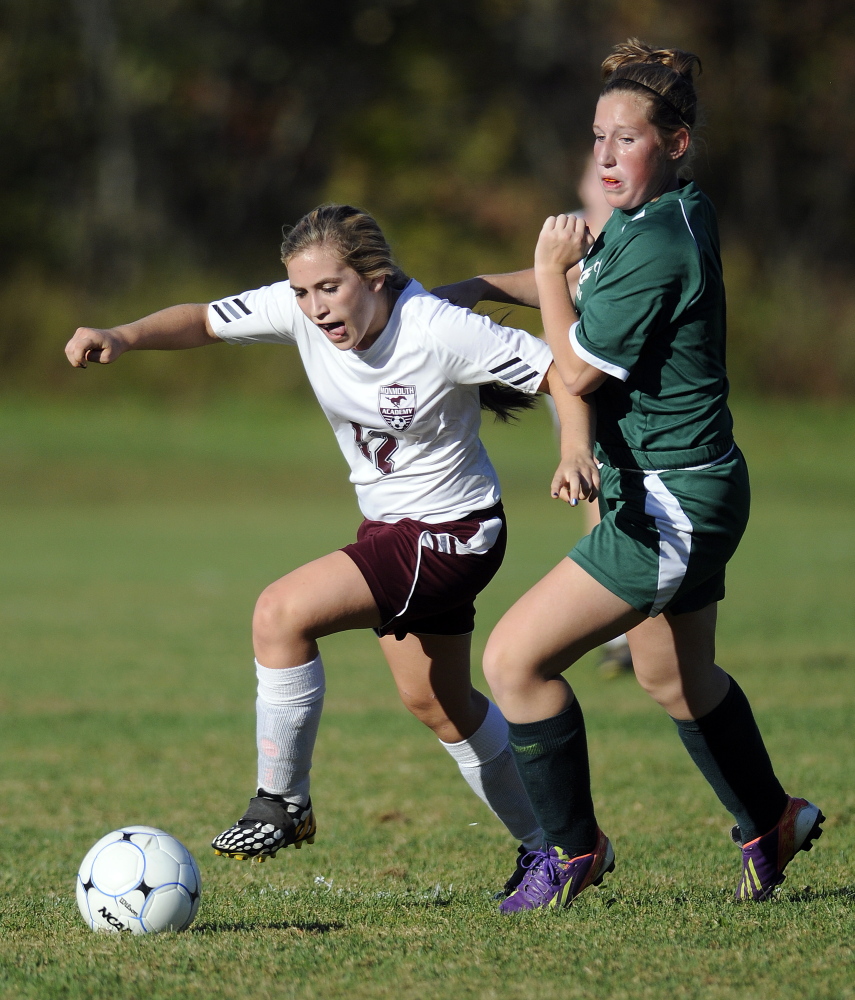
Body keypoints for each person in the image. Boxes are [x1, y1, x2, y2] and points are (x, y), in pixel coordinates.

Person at [64, 204, 600, 893]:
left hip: (452, 533)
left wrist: (573, 448)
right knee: (436, 702)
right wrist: (124, 334)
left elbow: (559, 369)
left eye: (329, 289)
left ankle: (281, 801)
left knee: (280, 613)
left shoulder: (434, 325)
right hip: (395, 531)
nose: (313, 308)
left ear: (375, 278)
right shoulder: (298, 311)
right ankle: (555, 846)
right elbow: (202, 318)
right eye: (300, 293)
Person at [441, 39, 824, 912]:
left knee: (513, 661)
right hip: (693, 487)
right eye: (597, 138)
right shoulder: (660, 219)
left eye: (627, 139)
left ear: (676, 142)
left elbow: (572, 369)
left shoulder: (659, 242)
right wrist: (470, 287)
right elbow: (582, 283)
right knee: (674, 679)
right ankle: (770, 820)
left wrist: (538, 274)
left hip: (669, 503)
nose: (606, 157)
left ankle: (572, 852)